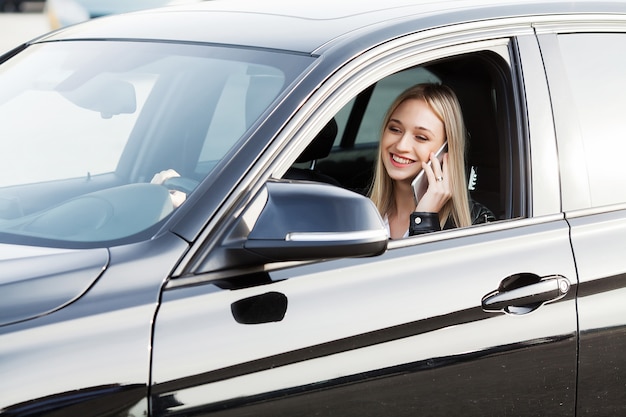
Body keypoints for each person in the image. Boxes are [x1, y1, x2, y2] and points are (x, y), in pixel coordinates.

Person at [369, 83, 495, 239]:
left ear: (445, 151)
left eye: (421, 137)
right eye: (395, 129)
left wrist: (425, 219)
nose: (401, 146)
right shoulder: (358, 208)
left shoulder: (478, 222)